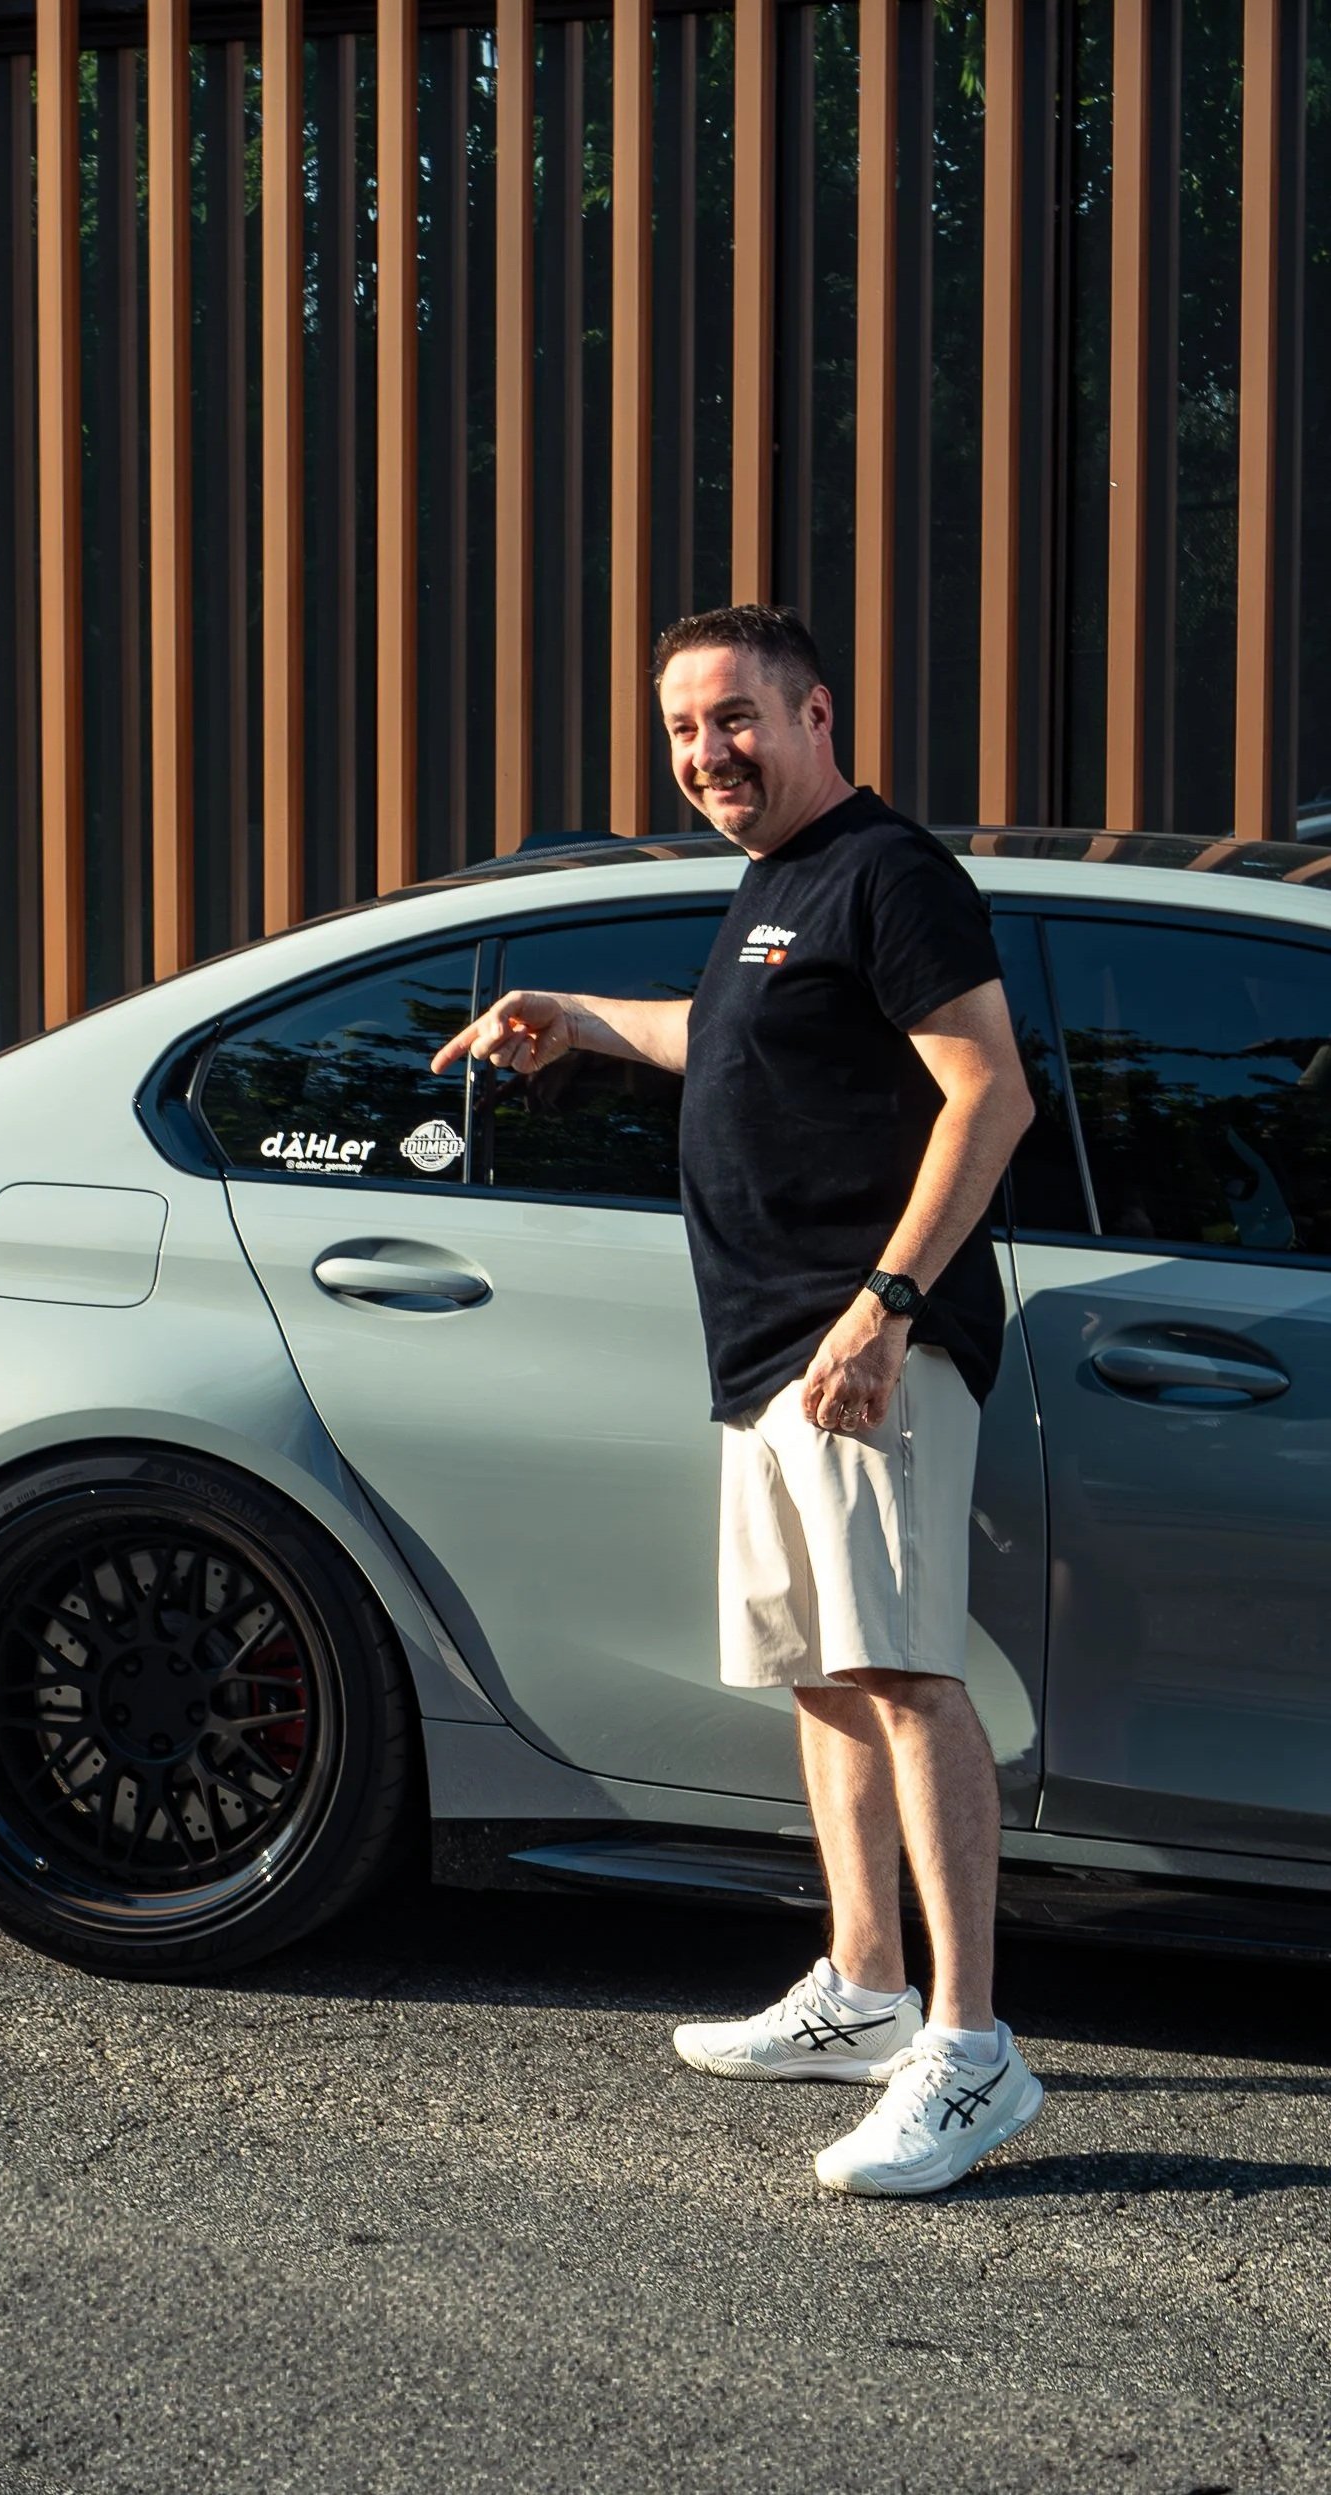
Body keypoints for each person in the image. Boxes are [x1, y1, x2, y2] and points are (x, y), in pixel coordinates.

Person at [431, 604, 1042, 2197]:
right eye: (685, 730)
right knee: (828, 1676)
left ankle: (972, 2051)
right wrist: (580, 1023)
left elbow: (992, 1088)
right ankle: (863, 1987)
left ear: (815, 710)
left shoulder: (891, 873)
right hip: (774, 1346)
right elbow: (733, 1040)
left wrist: (886, 1309)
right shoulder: (780, 888)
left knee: (905, 1673)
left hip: (862, 1349)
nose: (708, 753)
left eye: (736, 718)